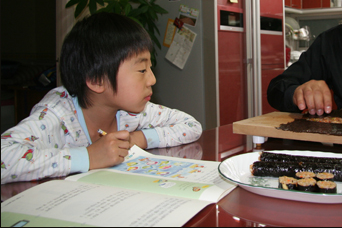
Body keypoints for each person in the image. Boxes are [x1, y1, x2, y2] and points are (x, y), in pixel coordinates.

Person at [1, 13, 202, 184]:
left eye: (150, 68)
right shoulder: (57, 114)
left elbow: (191, 126)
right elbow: (5, 157)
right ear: (97, 81)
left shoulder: (130, 111)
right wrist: (88, 157)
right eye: (142, 69)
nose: (152, 79)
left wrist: (136, 139)